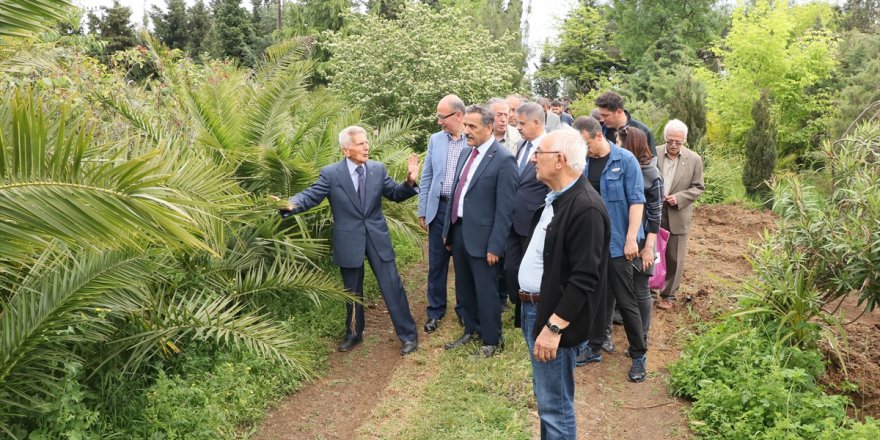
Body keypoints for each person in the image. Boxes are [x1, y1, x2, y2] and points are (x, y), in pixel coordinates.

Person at [277, 126, 421, 355]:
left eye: (366, 142)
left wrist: (410, 182)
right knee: (352, 291)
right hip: (349, 240)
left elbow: (395, 193)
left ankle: (409, 336)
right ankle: (354, 334)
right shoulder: (331, 174)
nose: (366, 147)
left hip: (377, 237)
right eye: (360, 143)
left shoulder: (377, 169)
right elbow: (310, 196)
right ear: (346, 150)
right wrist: (289, 203)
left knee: (392, 286)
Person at [518, 130, 610, 439]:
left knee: (555, 407)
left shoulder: (585, 208)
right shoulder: (558, 198)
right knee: (547, 402)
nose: (533, 158)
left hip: (552, 319)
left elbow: (585, 278)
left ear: (559, 160)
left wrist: (554, 327)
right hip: (535, 310)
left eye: (539, 153)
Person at [573, 116, 648, 383]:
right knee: (594, 297)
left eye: (586, 144)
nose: (584, 150)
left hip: (619, 243)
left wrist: (631, 239)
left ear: (598, 136)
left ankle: (638, 354)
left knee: (626, 301)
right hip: (593, 243)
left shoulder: (625, 161)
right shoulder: (583, 163)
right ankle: (594, 347)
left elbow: (637, 202)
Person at [442, 104, 518, 358]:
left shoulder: (503, 159)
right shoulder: (466, 153)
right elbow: (456, 193)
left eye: (472, 126)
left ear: (489, 127)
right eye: (465, 126)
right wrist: (448, 231)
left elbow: (506, 208)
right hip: (461, 230)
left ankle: (492, 340)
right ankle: (471, 329)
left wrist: (496, 245)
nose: (466, 131)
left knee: (486, 290)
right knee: (463, 286)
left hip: (485, 238)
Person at [418, 95, 468, 333]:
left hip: (463, 211)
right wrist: (422, 209)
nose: (439, 122)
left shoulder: (473, 139)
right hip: (438, 209)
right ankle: (435, 311)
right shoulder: (435, 140)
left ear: (458, 115)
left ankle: (464, 310)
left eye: (442, 116)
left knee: (462, 262)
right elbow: (427, 176)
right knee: (437, 262)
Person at [616, 126, 664, 343]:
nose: (615, 147)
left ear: (630, 146)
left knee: (641, 288)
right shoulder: (616, 169)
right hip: (618, 236)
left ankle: (641, 337)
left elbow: (655, 215)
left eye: (618, 143)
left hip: (643, 239)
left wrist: (648, 249)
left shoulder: (651, 175)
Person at [505, 102, 549, 321]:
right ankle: (518, 305)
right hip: (513, 218)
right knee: (511, 267)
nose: (518, 127)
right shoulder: (523, 145)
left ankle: (527, 313)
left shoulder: (550, 147)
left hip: (535, 219)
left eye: (522, 123)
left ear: (536, 122)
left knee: (529, 268)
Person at [656, 119, 705, 310]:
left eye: (678, 142)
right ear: (665, 139)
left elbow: (698, 187)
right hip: (654, 210)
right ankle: (650, 289)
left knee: (674, 257)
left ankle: (668, 294)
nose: (673, 145)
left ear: (684, 140)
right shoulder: (655, 152)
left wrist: (679, 198)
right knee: (652, 250)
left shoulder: (694, 159)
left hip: (678, 213)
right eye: (670, 141)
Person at [595, 92, 656, 156]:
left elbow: (651, 160)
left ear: (619, 112)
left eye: (605, 115)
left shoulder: (643, 131)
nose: (601, 119)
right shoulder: (600, 131)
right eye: (600, 115)